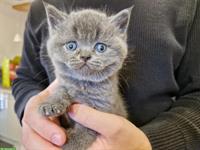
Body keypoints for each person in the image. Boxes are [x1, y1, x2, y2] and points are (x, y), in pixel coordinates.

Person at [12, 0, 200, 149]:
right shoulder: (40, 7)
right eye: (72, 46)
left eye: (100, 47)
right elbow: (26, 78)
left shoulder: (188, 4)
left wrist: (149, 143)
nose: (84, 55)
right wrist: (30, 112)